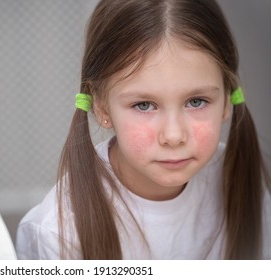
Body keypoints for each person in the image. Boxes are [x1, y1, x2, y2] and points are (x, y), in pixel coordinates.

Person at [16, 0, 271, 259]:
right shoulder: (57, 234)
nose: (173, 136)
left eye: (196, 102)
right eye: (144, 105)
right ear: (102, 107)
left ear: (227, 99)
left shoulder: (244, 182)